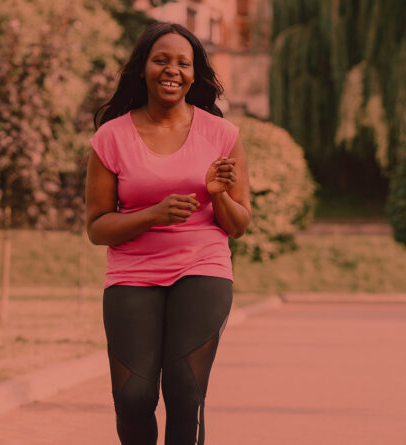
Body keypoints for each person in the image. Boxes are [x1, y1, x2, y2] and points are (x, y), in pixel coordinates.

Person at [85, 22, 251, 445]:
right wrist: (152, 215)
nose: (171, 70)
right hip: (131, 274)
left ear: (195, 74)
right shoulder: (111, 137)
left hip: (203, 268)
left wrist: (218, 197)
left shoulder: (221, 134)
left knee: (184, 391)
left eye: (183, 62)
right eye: (161, 60)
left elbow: (238, 225)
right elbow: (97, 227)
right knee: (133, 396)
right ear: (143, 68)